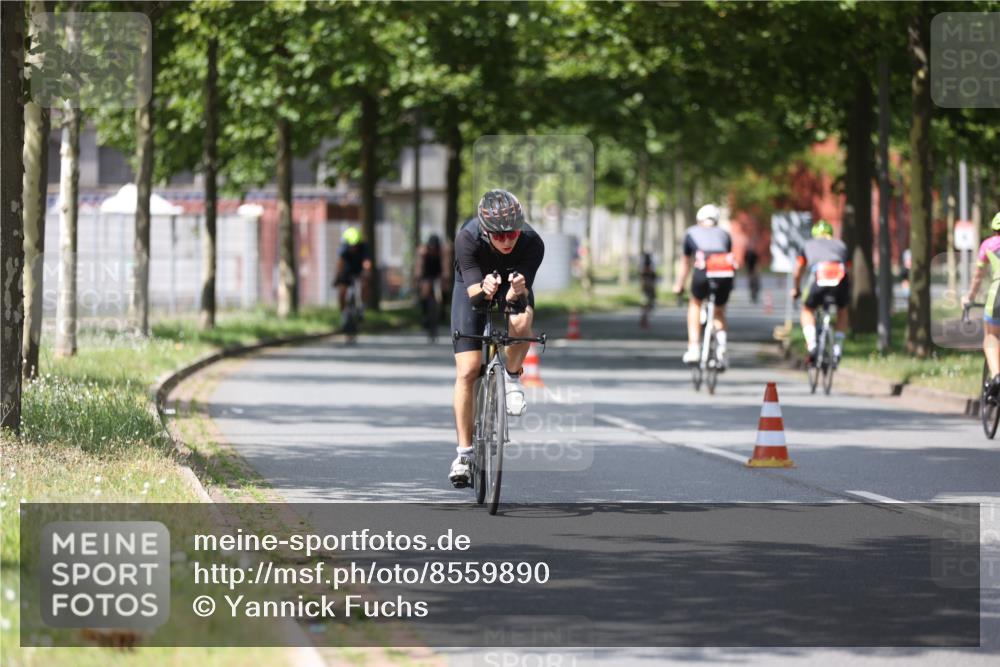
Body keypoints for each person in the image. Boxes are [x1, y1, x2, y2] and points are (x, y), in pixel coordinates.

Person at [448, 189, 544, 488]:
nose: (506, 240)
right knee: (468, 369)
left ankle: (513, 378)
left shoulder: (532, 243)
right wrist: (484, 290)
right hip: (474, 285)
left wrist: (515, 292)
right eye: (498, 235)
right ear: (485, 231)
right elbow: (476, 299)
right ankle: (464, 454)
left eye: (512, 233)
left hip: (512, 284)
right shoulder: (468, 238)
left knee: (522, 319)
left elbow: (521, 294)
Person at [672, 203, 736, 368]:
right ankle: (721, 349)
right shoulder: (725, 234)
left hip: (703, 273)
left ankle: (693, 348)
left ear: (699, 219)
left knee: (695, 303)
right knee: (719, 311)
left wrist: (679, 285)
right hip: (725, 274)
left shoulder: (691, 232)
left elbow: (685, 263)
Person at [791, 219, 850, 364]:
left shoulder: (808, 245)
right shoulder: (841, 245)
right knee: (842, 310)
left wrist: (796, 289)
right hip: (839, 277)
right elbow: (850, 269)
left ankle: (812, 345)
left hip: (819, 277)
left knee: (807, 309)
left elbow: (798, 270)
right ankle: (837, 348)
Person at [961, 212, 1000, 395]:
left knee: (991, 336)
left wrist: (969, 296)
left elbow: (978, 277)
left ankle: (997, 375)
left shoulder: (989, 245)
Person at [333, 227, 372, 317]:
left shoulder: (364, 247)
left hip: (359, 270)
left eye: (355, 245)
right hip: (347, 270)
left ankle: (362, 307)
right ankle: (343, 314)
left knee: (365, 284)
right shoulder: (343, 248)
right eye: (351, 246)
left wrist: (366, 272)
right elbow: (340, 263)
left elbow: (367, 263)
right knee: (342, 291)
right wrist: (337, 277)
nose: (353, 248)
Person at [416, 234, 446, 339]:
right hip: (426, 276)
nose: (433, 248)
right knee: (425, 291)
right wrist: (419, 278)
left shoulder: (441, 252)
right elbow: (419, 266)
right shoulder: (424, 252)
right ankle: (424, 314)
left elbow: (444, 266)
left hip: (437, 276)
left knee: (440, 295)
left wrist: (444, 277)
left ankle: (441, 311)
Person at [639, 252, 657, 329]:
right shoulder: (648, 269)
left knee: (647, 306)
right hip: (648, 289)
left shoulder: (644, 269)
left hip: (647, 289)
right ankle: (644, 321)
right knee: (647, 306)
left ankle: (644, 320)